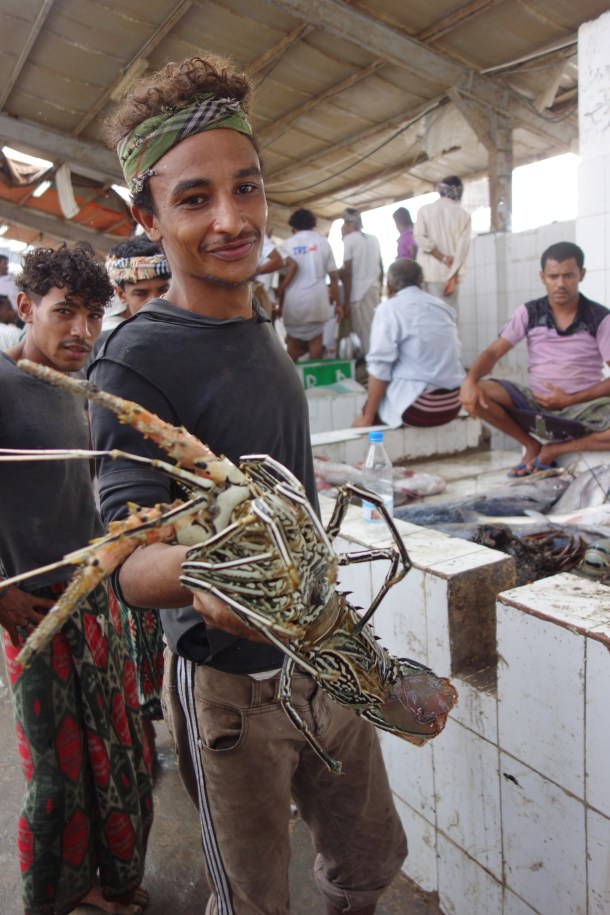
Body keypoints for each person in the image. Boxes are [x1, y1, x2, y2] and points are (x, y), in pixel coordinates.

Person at [92, 53, 407, 915]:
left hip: (327, 651)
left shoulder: (259, 323)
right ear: (147, 214)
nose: (232, 220)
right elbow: (124, 562)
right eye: (194, 198)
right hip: (228, 682)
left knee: (371, 859)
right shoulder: (135, 359)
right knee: (253, 898)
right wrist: (203, 575)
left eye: (248, 188)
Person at [0, 242, 152, 915]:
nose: (83, 330)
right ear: (25, 307)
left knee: (117, 753)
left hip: (95, 596)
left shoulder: (82, 385)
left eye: (93, 313)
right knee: (57, 778)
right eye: (65, 312)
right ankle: (48, 900)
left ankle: (105, 883)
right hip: (33, 609)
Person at [103, 235, 173, 757]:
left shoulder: (188, 339)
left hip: (184, 513)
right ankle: (146, 744)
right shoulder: (109, 353)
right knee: (136, 632)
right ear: (122, 295)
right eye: (140, 293)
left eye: (161, 289)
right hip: (129, 515)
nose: (150, 303)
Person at [460, 241, 610, 476]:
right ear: (543, 277)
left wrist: (571, 399)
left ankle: (555, 450)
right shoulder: (529, 313)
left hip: (584, 408)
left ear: (581, 274)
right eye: (553, 276)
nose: (560, 284)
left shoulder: (600, 318)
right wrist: (469, 381)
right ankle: (532, 445)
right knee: (478, 392)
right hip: (535, 405)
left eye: (568, 275)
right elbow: (493, 352)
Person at [353, 258, 465, 428]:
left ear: (389, 286)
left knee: (360, 422)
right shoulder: (442, 307)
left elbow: (379, 368)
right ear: (422, 283)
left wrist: (367, 417)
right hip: (454, 401)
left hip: (421, 408)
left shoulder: (389, 309)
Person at [277, 207, 341, 361]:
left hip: (294, 302)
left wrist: (281, 304)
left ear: (293, 225)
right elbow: (333, 276)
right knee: (316, 342)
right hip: (317, 302)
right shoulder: (323, 243)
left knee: (292, 344)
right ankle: (314, 380)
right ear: (313, 224)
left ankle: (291, 382)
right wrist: (338, 303)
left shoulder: (287, 245)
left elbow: (282, 279)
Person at [414, 175, 471, 308]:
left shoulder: (424, 210)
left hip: (425, 275)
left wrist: (442, 257)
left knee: (425, 319)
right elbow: (462, 250)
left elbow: (420, 238)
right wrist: (453, 277)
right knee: (447, 320)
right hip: (447, 276)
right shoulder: (464, 215)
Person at [340, 207, 383, 355]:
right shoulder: (374, 238)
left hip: (359, 292)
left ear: (348, 225)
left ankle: (369, 369)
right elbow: (381, 266)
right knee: (373, 328)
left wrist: (345, 302)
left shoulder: (349, 239)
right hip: (374, 289)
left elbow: (347, 272)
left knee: (363, 332)